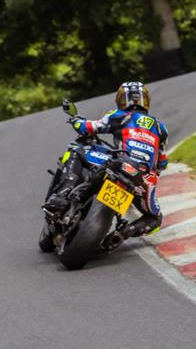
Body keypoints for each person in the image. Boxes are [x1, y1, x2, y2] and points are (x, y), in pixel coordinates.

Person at [44, 81, 169, 243]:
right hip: (143, 179)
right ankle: (124, 233)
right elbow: (162, 162)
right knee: (155, 219)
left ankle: (62, 196)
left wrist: (76, 120)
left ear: (121, 100)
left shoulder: (119, 115)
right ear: (146, 101)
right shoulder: (161, 128)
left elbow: (89, 128)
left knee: (77, 150)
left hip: (120, 163)